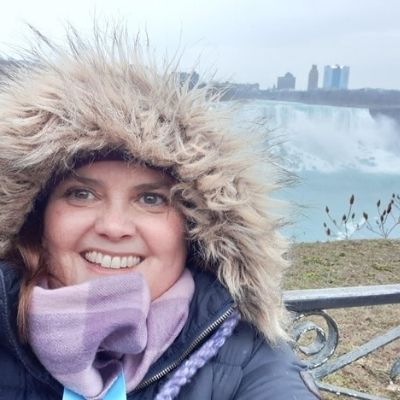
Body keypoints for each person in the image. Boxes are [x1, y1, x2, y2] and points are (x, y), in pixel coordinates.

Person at [0, 27, 321, 399]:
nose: (114, 227)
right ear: (36, 218)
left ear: (194, 228)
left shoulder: (247, 357)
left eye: (151, 199)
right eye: (82, 194)